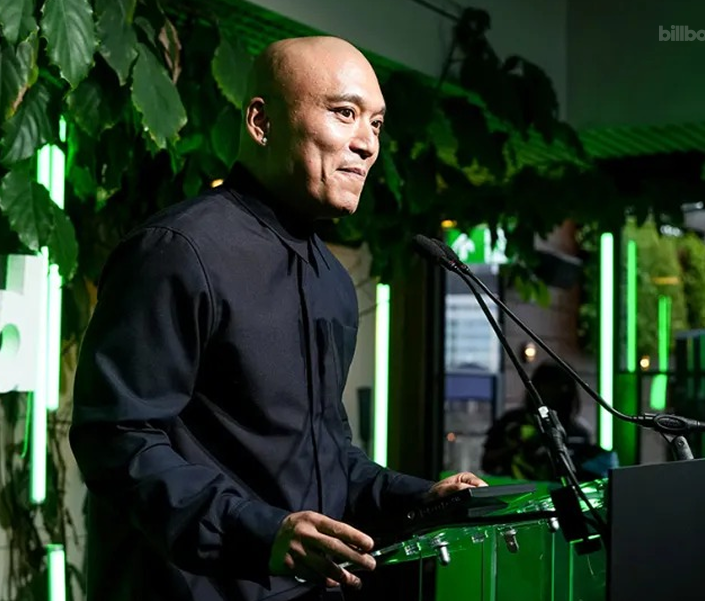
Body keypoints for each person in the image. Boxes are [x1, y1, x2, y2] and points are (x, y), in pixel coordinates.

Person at [68, 36, 485, 601]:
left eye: (377, 124)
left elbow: (326, 458)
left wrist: (418, 498)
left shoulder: (331, 281)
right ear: (262, 123)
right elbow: (118, 438)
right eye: (345, 113)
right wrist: (261, 533)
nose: (367, 144)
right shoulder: (179, 251)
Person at [481, 361, 618, 482]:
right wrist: (519, 446)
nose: (561, 391)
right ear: (538, 387)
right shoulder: (512, 422)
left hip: (560, 496)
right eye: (553, 384)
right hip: (517, 494)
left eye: (565, 385)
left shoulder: (578, 431)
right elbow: (487, 462)